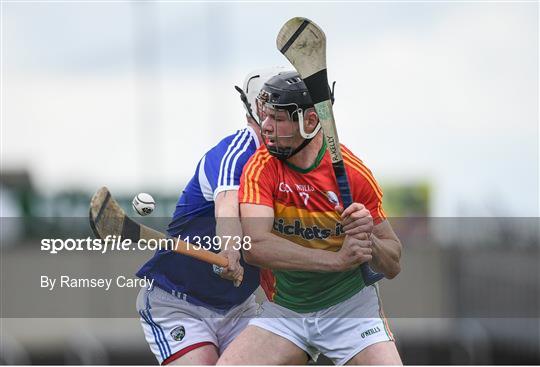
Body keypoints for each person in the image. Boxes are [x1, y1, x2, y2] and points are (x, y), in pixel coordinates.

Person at [217, 71, 403, 365]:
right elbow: (255, 246)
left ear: (311, 122)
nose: (264, 126)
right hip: (286, 311)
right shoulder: (261, 167)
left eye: (276, 119)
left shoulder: (353, 174)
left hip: (351, 310)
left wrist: (369, 241)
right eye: (265, 116)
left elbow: (392, 263)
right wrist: (337, 260)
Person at [135, 67, 287, 365]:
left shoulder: (291, 164)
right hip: (178, 303)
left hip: (239, 307)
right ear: (257, 111)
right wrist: (231, 249)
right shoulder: (236, 152)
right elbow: (227, 206)